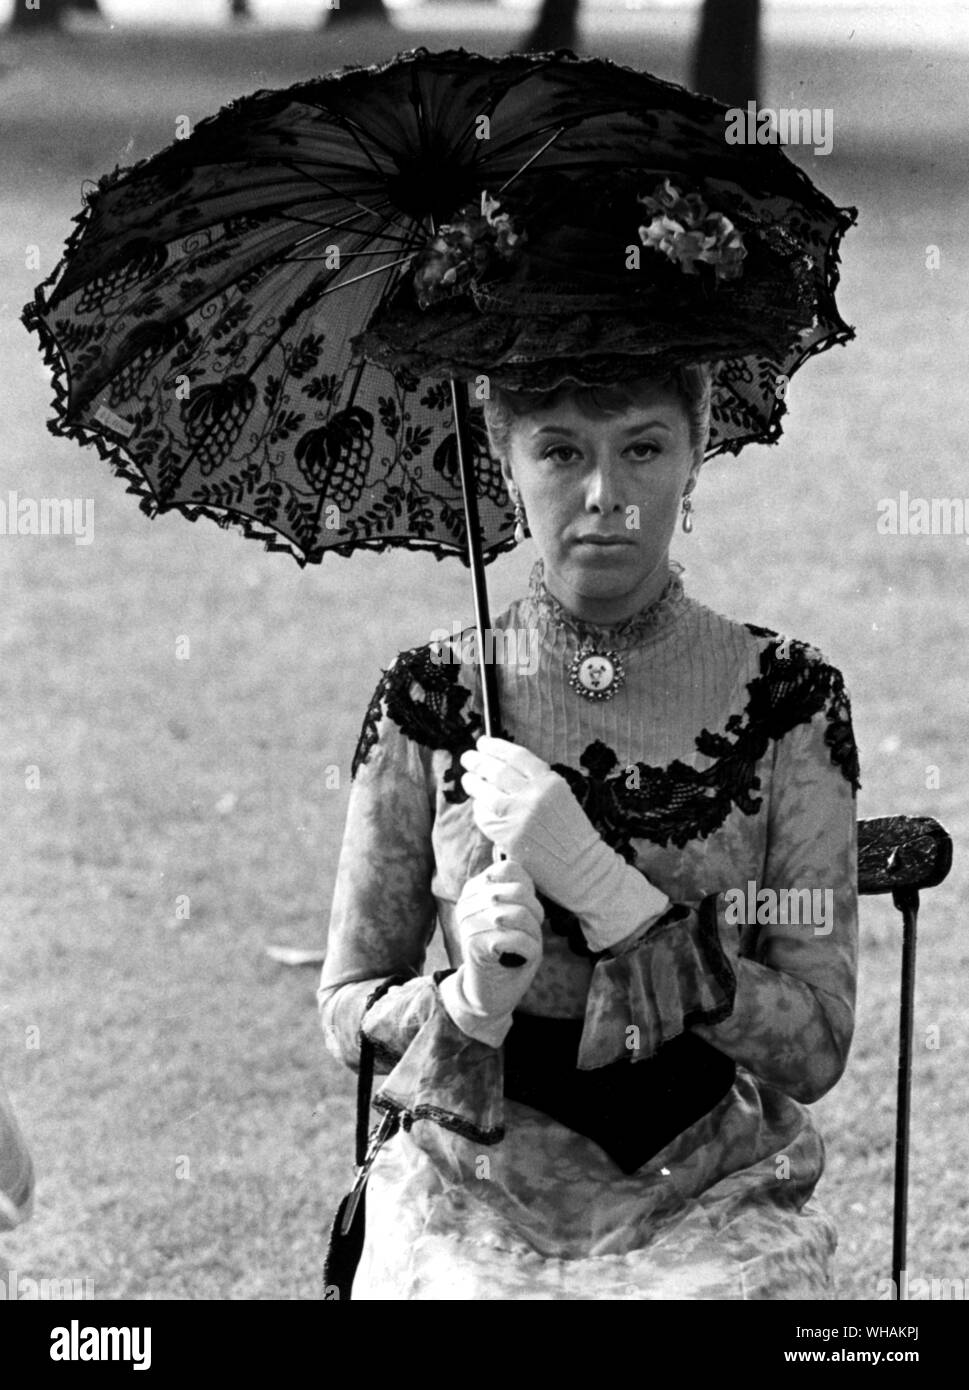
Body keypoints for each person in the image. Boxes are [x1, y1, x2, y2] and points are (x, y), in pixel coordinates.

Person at [317, 354, 860, 1300]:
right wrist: (468, 999)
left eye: (641, 448)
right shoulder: (431, 699)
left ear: (695, 451)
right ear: (503, 457)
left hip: (710, 1187)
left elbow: (814, 1047)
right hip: (466, 1189)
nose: (604, 494)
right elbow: (347, 1008)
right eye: (560, 451)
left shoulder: (787, 699)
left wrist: (618, 902)